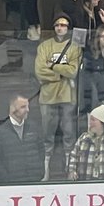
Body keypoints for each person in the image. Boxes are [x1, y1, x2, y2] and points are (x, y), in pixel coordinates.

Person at [35, 12, 79, 179]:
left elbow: (73, 71)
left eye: (64, 25)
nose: (60, 28)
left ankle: (70, 169)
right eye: (57, 25)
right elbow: (39, 72)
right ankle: (45, 171)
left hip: (68, 96)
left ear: (68, 28)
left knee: (69, 133)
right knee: (47, 133)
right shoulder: (44, 46)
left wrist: (52, 66)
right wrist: (62, 72)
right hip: (47, 97)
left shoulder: (74, 47)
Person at [0, 94, 46, 183]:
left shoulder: (33, 127)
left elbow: (41, 150)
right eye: (23, 107)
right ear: (12, 109)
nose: (27, 110)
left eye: (28, 106)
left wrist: (39, 171)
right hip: (10, 184)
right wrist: (5, 177)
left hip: (34, 181)